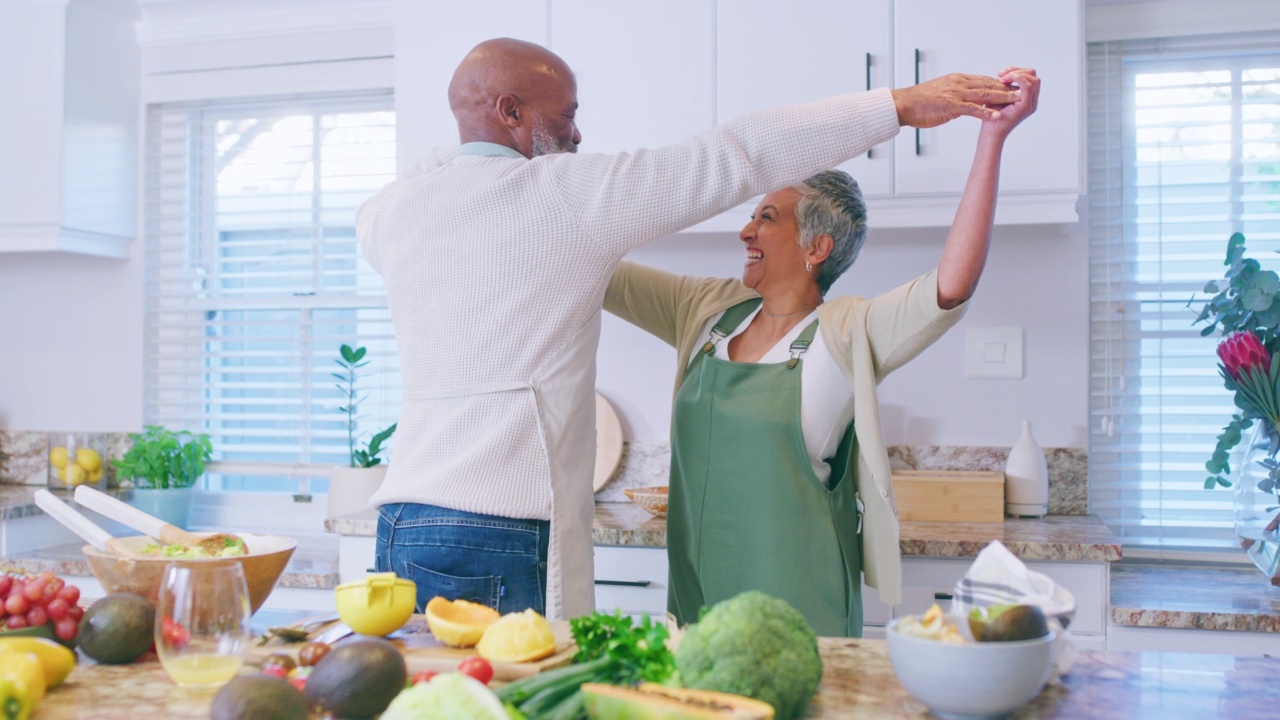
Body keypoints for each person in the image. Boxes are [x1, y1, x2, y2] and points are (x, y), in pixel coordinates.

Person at [357, 36, 1022, 620]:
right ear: (509, 112)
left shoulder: (391, 212)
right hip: (515, 529)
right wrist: (898, 105)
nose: (578, 137)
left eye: (769, 217)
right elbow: (736, 154)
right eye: (566, 117)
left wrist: (473, 124)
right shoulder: (587, 215)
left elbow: (947, 285)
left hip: (404, 524)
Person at [603, 69, 1040, 636]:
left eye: (766, 217)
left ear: (817, 246)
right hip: (698, 605)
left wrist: (993, 140)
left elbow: (949, 285)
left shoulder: (849, 330)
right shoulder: (703, 311)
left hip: (803, 613)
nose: (745, 231)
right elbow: (600, 271)